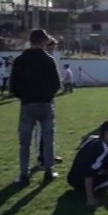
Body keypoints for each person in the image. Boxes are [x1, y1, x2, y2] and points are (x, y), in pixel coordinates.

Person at [10, 28, 61, 185]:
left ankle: (24, 174)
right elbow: (56, 84)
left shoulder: (20, 60)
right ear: (43, 41)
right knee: (48, 138)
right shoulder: (48, 60)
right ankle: (48, 170)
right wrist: (47, 95)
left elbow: (13, 86)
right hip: (45, 104)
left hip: (28, 104)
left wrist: (24, 96)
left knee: (25, 142)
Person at [36, 38, 64, 169]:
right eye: (52, 48)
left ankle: (49, 155)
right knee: (43, 130)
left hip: (49, 98)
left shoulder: (49, 60)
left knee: (50, 129)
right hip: (42, 99)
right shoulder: (43, 61)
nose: (53, 51)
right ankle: (42, 157)